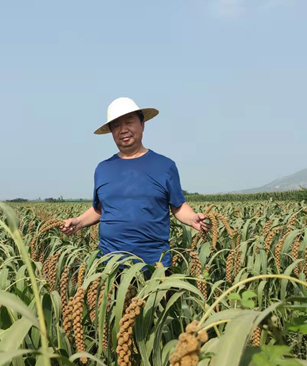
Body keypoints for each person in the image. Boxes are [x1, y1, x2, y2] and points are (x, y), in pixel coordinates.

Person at [59, 97, 210, 275]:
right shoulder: (103, 169)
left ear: (142, 124)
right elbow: (100, 209)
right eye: (116, 126)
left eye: (129, 122)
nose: (123, 130)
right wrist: (78, 222)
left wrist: (192, 219)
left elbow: (178, 205)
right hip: (110, 267)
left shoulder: (165, 166)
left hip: (154, 266)